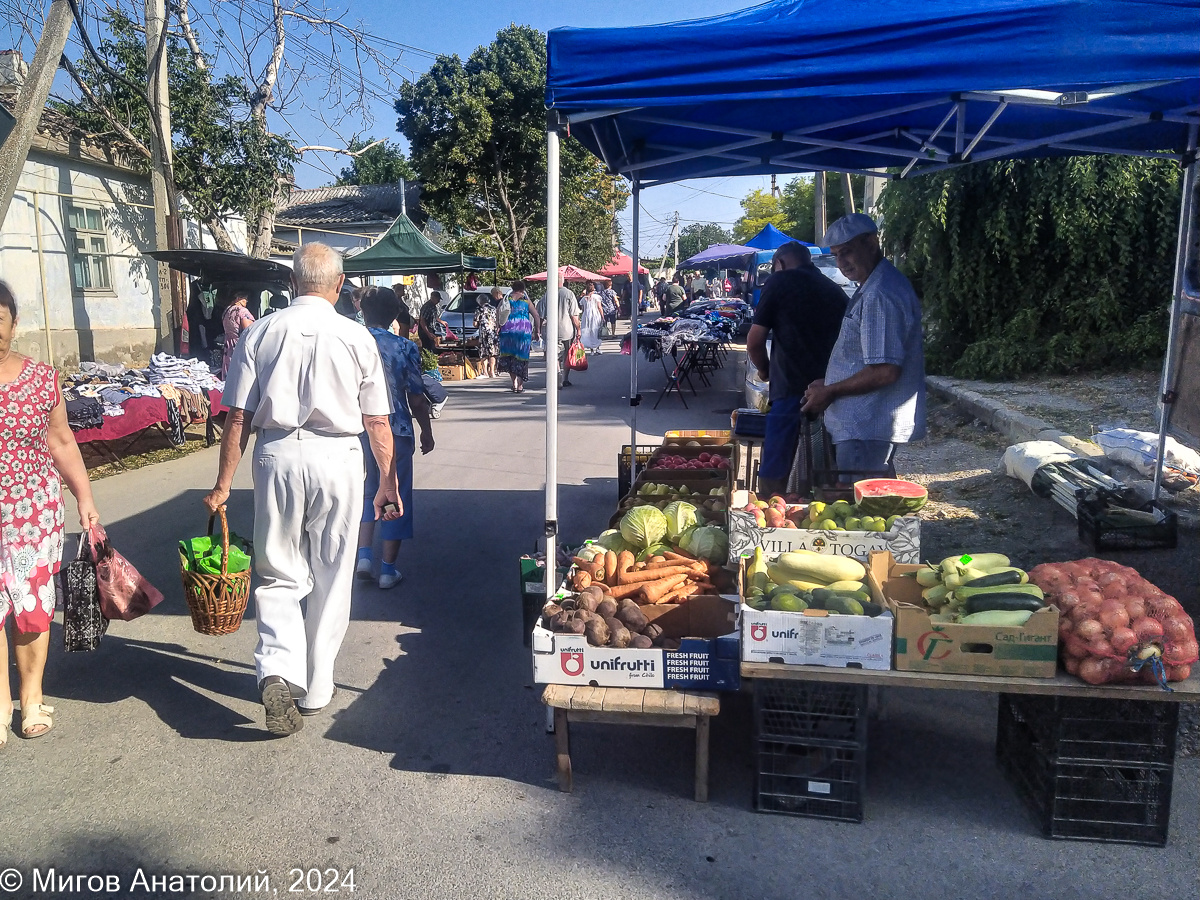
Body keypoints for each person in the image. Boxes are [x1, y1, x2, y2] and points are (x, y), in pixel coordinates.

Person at [203, 243, 400, 736]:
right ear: (339, 286)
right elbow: (377, 420)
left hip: (278, 456)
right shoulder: (356, 337)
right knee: (333, 573)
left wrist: (223, 484)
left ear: (292, 284)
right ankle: (315, 689)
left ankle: (276, 670)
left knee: (277, 572)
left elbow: (238, 418)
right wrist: (388, 483)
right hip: (339, 458)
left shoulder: (261, 332)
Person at [0, 281, 102, 743]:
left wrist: (85, 499)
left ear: (13, 323)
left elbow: (61, 442)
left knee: (30, 608)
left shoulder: (41, 379)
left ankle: (32, 698)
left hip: (31, 514)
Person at [802, 213, 926, 478]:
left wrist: (831, 390)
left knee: (861, 512)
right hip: (863, 427)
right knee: (872, 505)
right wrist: (829, 382)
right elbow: (865, 358)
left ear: (871, 243)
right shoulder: (872, 284)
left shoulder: (879, 293)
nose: (841, 263)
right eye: (836, 255)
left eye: (846, 252)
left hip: (866, 427)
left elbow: (885, 371)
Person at [746, 242, 848, 496]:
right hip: (831, 393)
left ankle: (772, 521)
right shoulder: (835, 290)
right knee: (822, 468)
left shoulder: (779, 282)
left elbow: (754, 342)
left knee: (776, 472)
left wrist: (765, 371)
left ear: (779, 263)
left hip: (790, 390)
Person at [354, 288, 435, 590]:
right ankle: (388, 570)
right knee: (394, 495)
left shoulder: (350, 343)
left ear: (362, 310)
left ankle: (363, 555)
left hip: (356, 429)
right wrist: (426, 430)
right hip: (396, 429)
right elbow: (416, 396)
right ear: (393, 315)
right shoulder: (403, 347)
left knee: (367, 491)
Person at [497, 280, 541, 394]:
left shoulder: (507, 298)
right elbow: (536, 315)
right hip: (523, 331)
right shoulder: (526, 300)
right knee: (522, 357)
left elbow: (498, 312)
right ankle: (520, 385)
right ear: (523, 288)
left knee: (511, 357)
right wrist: (538, 331)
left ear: (512, 288)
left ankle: (514, 384)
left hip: (508, 330)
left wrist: (498, 326)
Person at [221, 291, 255, 378]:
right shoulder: (242, 311)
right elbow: (249, 330)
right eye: (245, 299)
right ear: (238, 299)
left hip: (228, 344)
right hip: (238, 344)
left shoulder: (227, 310)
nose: (246, 302)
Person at [556, 283, 582, 388]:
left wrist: (537, 329)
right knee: (567, 354)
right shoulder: (569, 294)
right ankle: (565, 378)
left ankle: (557, 374)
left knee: (555, 355)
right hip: (567, 330)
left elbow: (540, 313)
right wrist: (578, 329)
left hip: (552, 330)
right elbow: (574, 315)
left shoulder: (548, 293)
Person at [474, 288, 502, 377]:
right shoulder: (493, 308)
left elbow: (475, 323)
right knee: (492, 353)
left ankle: (485, 372)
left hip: (484, 334)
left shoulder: (479, 309)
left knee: (484, 353)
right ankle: (492, 372)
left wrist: (479, 324)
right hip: (493, 333)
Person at [578, 281, 604, 354]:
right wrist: (602, 316)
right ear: (593, 289)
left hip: (586, 315)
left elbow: (583, 309)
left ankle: (591, 350)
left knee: (588, 331)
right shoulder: (597, 297)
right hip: (595, 315)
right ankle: (597, 348)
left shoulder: (583, 299)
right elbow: (599, 307)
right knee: (596, 330)